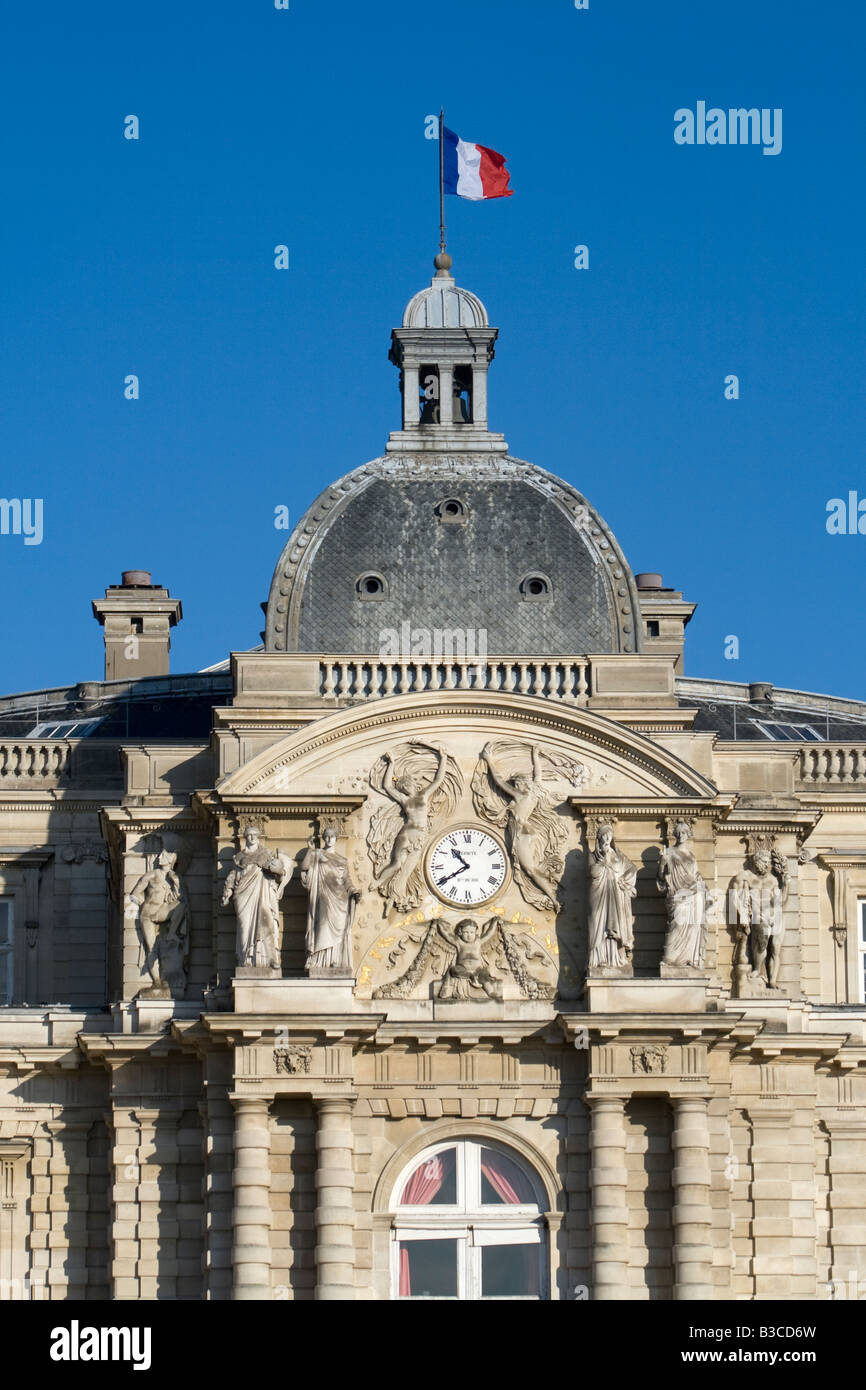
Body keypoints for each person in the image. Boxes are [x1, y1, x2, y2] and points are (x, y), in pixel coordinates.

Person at [222, 825, 292, 969]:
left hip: (262, 894)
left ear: (258, 836)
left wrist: (278, 870)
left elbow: (279, 875)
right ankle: (245, 960)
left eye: (254, 834)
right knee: (244, 927)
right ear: (245, 836)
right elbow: (232, 876)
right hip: (242, 895)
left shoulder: (266, 854)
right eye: (249, 834)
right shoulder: (239, 857)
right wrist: (227, 891)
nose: (252, 837)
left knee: (266, 924)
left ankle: (268, 959)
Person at [299, 828, 360, 972]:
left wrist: (354, 891)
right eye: (327, 836)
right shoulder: (317, 854)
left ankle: (334, 959)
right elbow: (305, 868)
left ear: (336, 839)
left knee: (338, 931)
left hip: (340, 899)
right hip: (323, 896)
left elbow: (347, 881)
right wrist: (309, 850)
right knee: (323, 926)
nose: (329, 839)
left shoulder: (342, 860)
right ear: (324, 838)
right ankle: (320, 960)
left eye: (332, 836)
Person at [657, 820, 708, 969]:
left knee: (692, 926)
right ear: (675, 835)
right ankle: (670, 959)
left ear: (688, 834)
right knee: (677, 924)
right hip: (677, 896)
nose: (681, 835)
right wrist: (662, 864)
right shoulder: (669, 852)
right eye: (678, 833)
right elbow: (660, 879)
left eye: (684, 832)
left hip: (693, 895)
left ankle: (688, 959)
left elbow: (695, 875)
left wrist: (701, 886)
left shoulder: (692, 856)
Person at [587, 825, 636, 971]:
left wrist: (624, 880)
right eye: (604, 835)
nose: (607, 838)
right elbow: (593, 873)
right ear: (599, 838)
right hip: (599, 896)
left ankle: (614, 959)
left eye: (610, 835)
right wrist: (604, 861)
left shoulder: (619, 856)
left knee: (614, 928)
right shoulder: (593, 856)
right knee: (598, 925)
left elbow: (632, 869)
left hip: (615, 896)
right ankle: (598, 958)